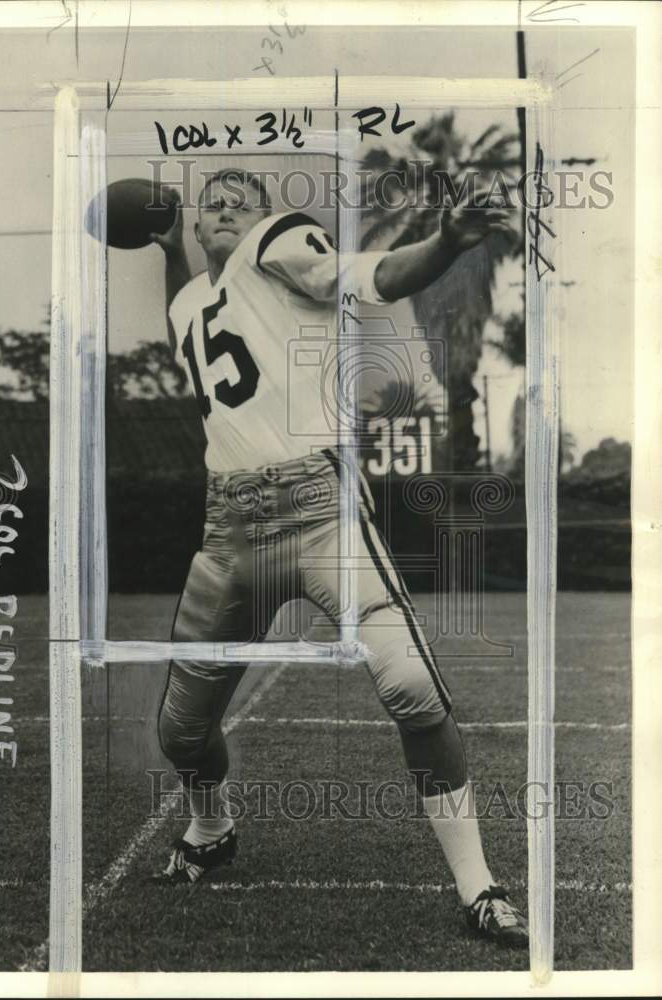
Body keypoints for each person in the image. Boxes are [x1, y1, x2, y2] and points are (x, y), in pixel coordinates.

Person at [147, 167, 528, 948]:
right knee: (182, 734)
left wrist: (448, 242)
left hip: (319, 514)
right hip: (230, 532)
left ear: (263, 213)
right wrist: (164, 243)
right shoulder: (195, 300)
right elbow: (189, 302)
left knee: (412, 685)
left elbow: (368, 275)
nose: (219, 212)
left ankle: (478, 886)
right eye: (206, 207)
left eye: (237, 201)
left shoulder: (280, 238)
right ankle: (210, 828)